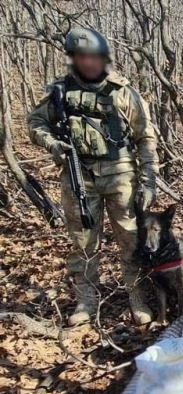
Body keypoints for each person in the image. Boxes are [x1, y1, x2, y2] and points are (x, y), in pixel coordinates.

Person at [28, 27, 158, 326]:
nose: (90, 63)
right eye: (83, 57)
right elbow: (36, 123)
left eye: (96, 57)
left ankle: (138, 297)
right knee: (83, 242)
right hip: (79, 175)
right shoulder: (60, 92)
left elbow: (146, 138)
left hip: (122, 175)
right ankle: (86, 301)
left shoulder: (124, 92)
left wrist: (149, 179)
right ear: (73, 58)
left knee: (132, 239)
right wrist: (53, 144)